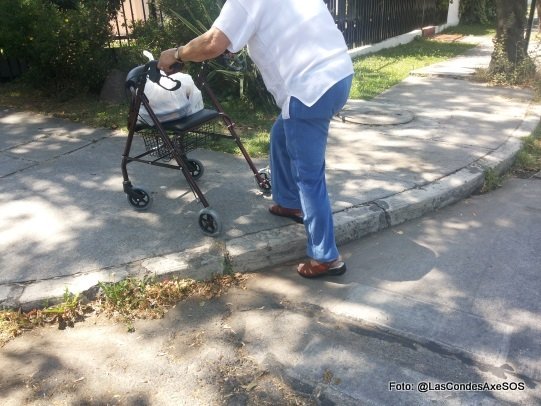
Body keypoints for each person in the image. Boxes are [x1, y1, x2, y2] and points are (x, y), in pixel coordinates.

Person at [158, 0, 353, 279]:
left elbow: (214, 42)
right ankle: (289, 202)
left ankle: (326, 258)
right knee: (280, 134)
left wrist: (175, 53)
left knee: (309, 177)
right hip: (338, 76)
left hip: (310, 90)